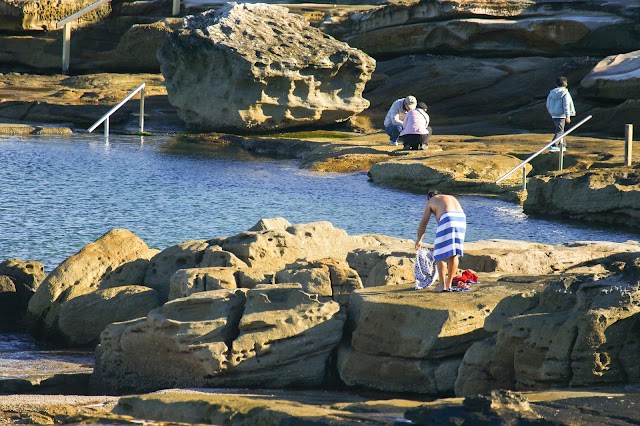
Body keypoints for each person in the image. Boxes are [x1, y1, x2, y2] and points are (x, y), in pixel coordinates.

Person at [415, 190, 466, 292]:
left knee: (439, 253)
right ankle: (449, 284)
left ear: (429, 197)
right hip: (461, 219)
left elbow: (423, 224)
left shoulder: (431, 201)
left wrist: (419, 240)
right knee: (454, 254)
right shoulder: (450, 197)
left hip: (448, 218)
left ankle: (441, 286)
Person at [546, 76, 576, 152]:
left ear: (556, 84)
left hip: (554, 114)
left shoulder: (551, 93)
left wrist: (551, 112)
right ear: (566, 85)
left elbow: (548, 104)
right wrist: (567, 116)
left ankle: (563, 145)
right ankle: (554, 145)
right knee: (560, 130)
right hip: (561, 115)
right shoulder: (565, 92)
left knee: (560, 130)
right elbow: (566, 105)